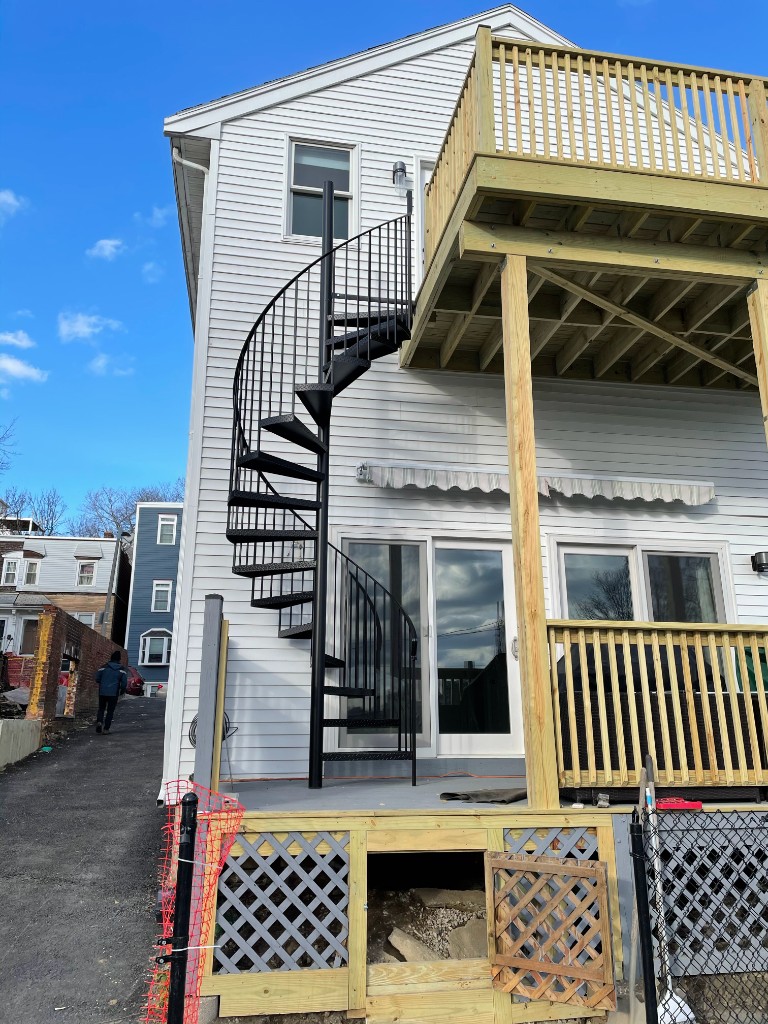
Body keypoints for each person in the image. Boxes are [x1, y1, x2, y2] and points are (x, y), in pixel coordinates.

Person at [95, 652, 127, 734]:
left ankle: (99, 721)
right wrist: (122, 691)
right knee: (110, 711)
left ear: (111, 658)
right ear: (119, 659)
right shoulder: (122, 669)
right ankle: (106, 729)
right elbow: (124, 684)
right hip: (113, 693)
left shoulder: (103, 667)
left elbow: (97, 679)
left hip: (102, 692)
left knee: (101, 708)